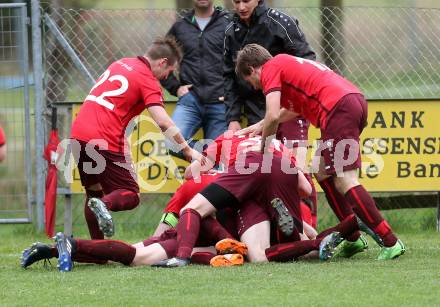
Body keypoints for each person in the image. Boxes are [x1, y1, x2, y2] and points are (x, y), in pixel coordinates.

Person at [234, 43, 405, 260]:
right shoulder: (287, 63)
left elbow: (273, 115)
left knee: (345, 179)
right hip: (351, 101)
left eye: (250, 82)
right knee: (321, 170)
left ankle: (390, 241)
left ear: (252, 69)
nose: (256, 88)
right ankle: (352, 238)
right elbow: (293, 110)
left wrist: (264, 150)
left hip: (338, 108)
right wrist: (261, 125)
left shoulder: (271, 68)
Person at [70, 37, 202, 240]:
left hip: (78, 133)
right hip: (103, 137)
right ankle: (104, 206)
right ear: (162, 62)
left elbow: (113, 107)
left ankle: (98, 250)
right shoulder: (147, 79)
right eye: (170, 71)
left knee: (93, 193)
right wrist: (187, 149)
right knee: (131, 195)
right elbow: (164, 122)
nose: (167, 76)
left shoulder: (120, 63)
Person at [223, 0, 315, 132]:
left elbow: (307, 60)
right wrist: (233, 118)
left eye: (246, 1)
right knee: (264, 152)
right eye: (237, 2)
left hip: (287, 107)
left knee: (290, 153)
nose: (241, 7)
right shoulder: (230, 30)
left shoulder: (282, 22)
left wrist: (295, 103)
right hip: (253, 109)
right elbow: (229, 76)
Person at [161, 0, 229, 154]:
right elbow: (160, 60)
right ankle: (205, 155)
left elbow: (240, 61)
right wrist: (175, 87)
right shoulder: (180, 27)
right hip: (190, 100)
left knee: (217, 156)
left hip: (220, 102)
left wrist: (230, 92)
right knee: (171, 143)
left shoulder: (227, 24)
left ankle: (210, 158)